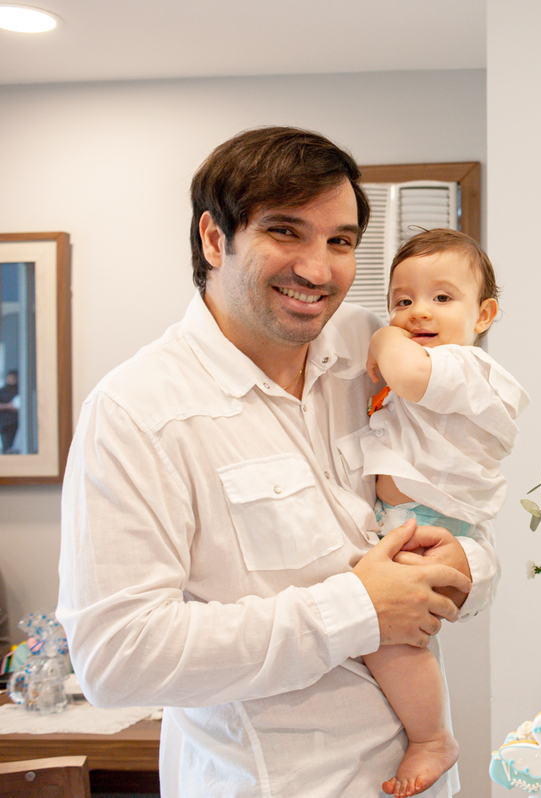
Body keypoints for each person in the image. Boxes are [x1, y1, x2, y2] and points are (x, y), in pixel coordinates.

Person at [57, 126, 497, 798]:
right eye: (286, 232)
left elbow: (457, 488)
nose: (318, 270)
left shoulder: (374, 351)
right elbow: (116, 660)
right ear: (214, 239)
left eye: (340, 241)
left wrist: (472, 566)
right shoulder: (136, 410)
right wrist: (354, 609)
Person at [339, 229, 528, 797]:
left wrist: (380, 338)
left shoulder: (467, 368)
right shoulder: (437, 367)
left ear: (484, 313)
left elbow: (410, 375)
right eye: (402, 300)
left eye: (442, 298)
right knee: (388, 637)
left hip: (429, 523)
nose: (418, 311)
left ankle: (431, 738)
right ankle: (427, 734)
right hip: (406, 520)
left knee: (391, 639)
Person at [0, 369, 19, 453]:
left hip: (17, 423)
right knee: (7, 447)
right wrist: (9, 406)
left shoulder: (19, 390)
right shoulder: (2, 391)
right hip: (5, 423)